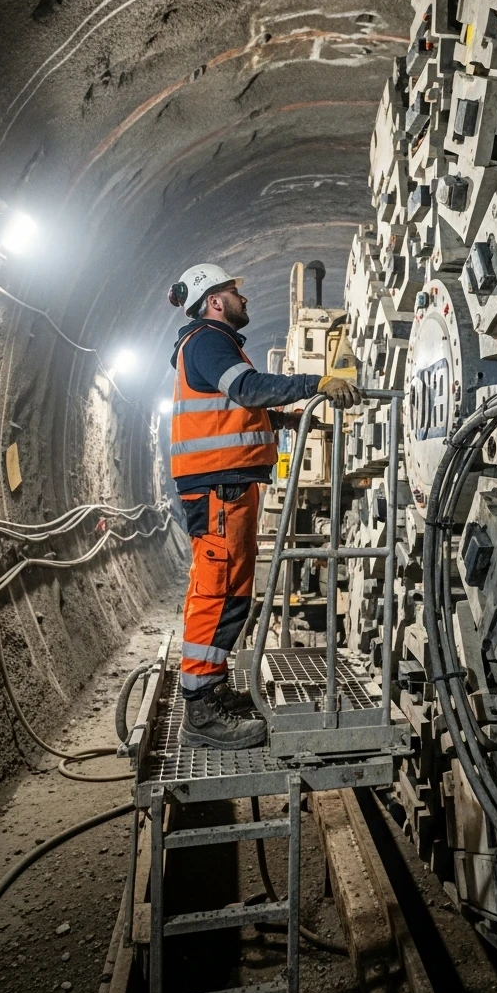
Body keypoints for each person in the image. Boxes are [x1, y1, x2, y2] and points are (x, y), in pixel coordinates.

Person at [166, 263, 361, 750]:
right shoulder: (207, 340)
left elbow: (240, 409)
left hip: (228, 485)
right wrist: (314, 384)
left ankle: (210, 689)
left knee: (233, 590)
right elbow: (247, 390)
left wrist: (289, 421)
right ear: (214, 301)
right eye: (235, 291)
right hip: (218, 489)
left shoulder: (217, 344)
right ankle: (200, 711)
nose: (243, 299)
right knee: (217, 589)